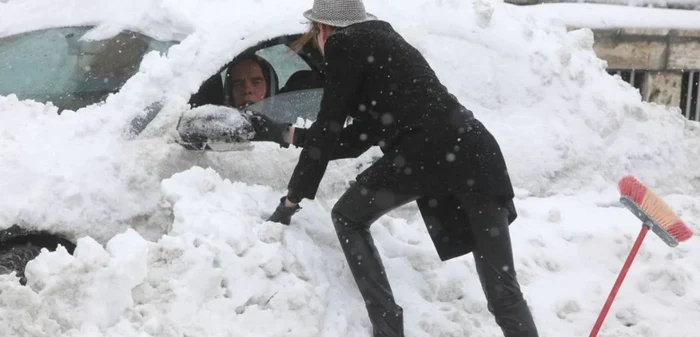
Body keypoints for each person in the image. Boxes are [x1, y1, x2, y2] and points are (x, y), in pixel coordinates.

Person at [264, 0, 540, 336]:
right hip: (476, 152)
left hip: (424, 156)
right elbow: (358, 136)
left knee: (348, 217)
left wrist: (291, 201)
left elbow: (330, 126)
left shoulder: (342, 45)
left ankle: (387, 328)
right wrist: (293, 136)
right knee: (504, 293)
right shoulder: (384, 42)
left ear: (321, 30)